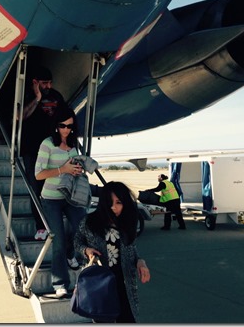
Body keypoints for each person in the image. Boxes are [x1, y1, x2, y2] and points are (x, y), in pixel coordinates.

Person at [74, 181, 151, 323]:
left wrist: (141, 262)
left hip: (124, 282)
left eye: (118, 202)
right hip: (100, 282)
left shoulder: (127, 222)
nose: (113, 207)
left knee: (128, 319)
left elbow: (132, 249)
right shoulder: (89, 222)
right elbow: (77, 242)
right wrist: (86, 250)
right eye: (109, 202)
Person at [35, 106, 87, 297]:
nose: (66, 129)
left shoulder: (74, 145)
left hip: (71, 196)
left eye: (70, 126)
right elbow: (38, 174)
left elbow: (75, 166)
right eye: (62, 125)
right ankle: (60, 284)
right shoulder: (47, 144)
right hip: (51, 199)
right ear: (56, 126)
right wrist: (62, 170)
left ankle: (71, 253)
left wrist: (77, 169)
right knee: (57, 240)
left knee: (82, 228)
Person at [21, 66, 66, 241]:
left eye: (49, 83)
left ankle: (55, 223)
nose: (48, 86)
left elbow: (66, 117)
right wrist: (37, 99)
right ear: (35, 83)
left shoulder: (56, 96)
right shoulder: (26, 96)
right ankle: (41, 227)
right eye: (44, 83)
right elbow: (20, 117)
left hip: (53, 149)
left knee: (55, 186)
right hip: (32, 150)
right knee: (36, 187)